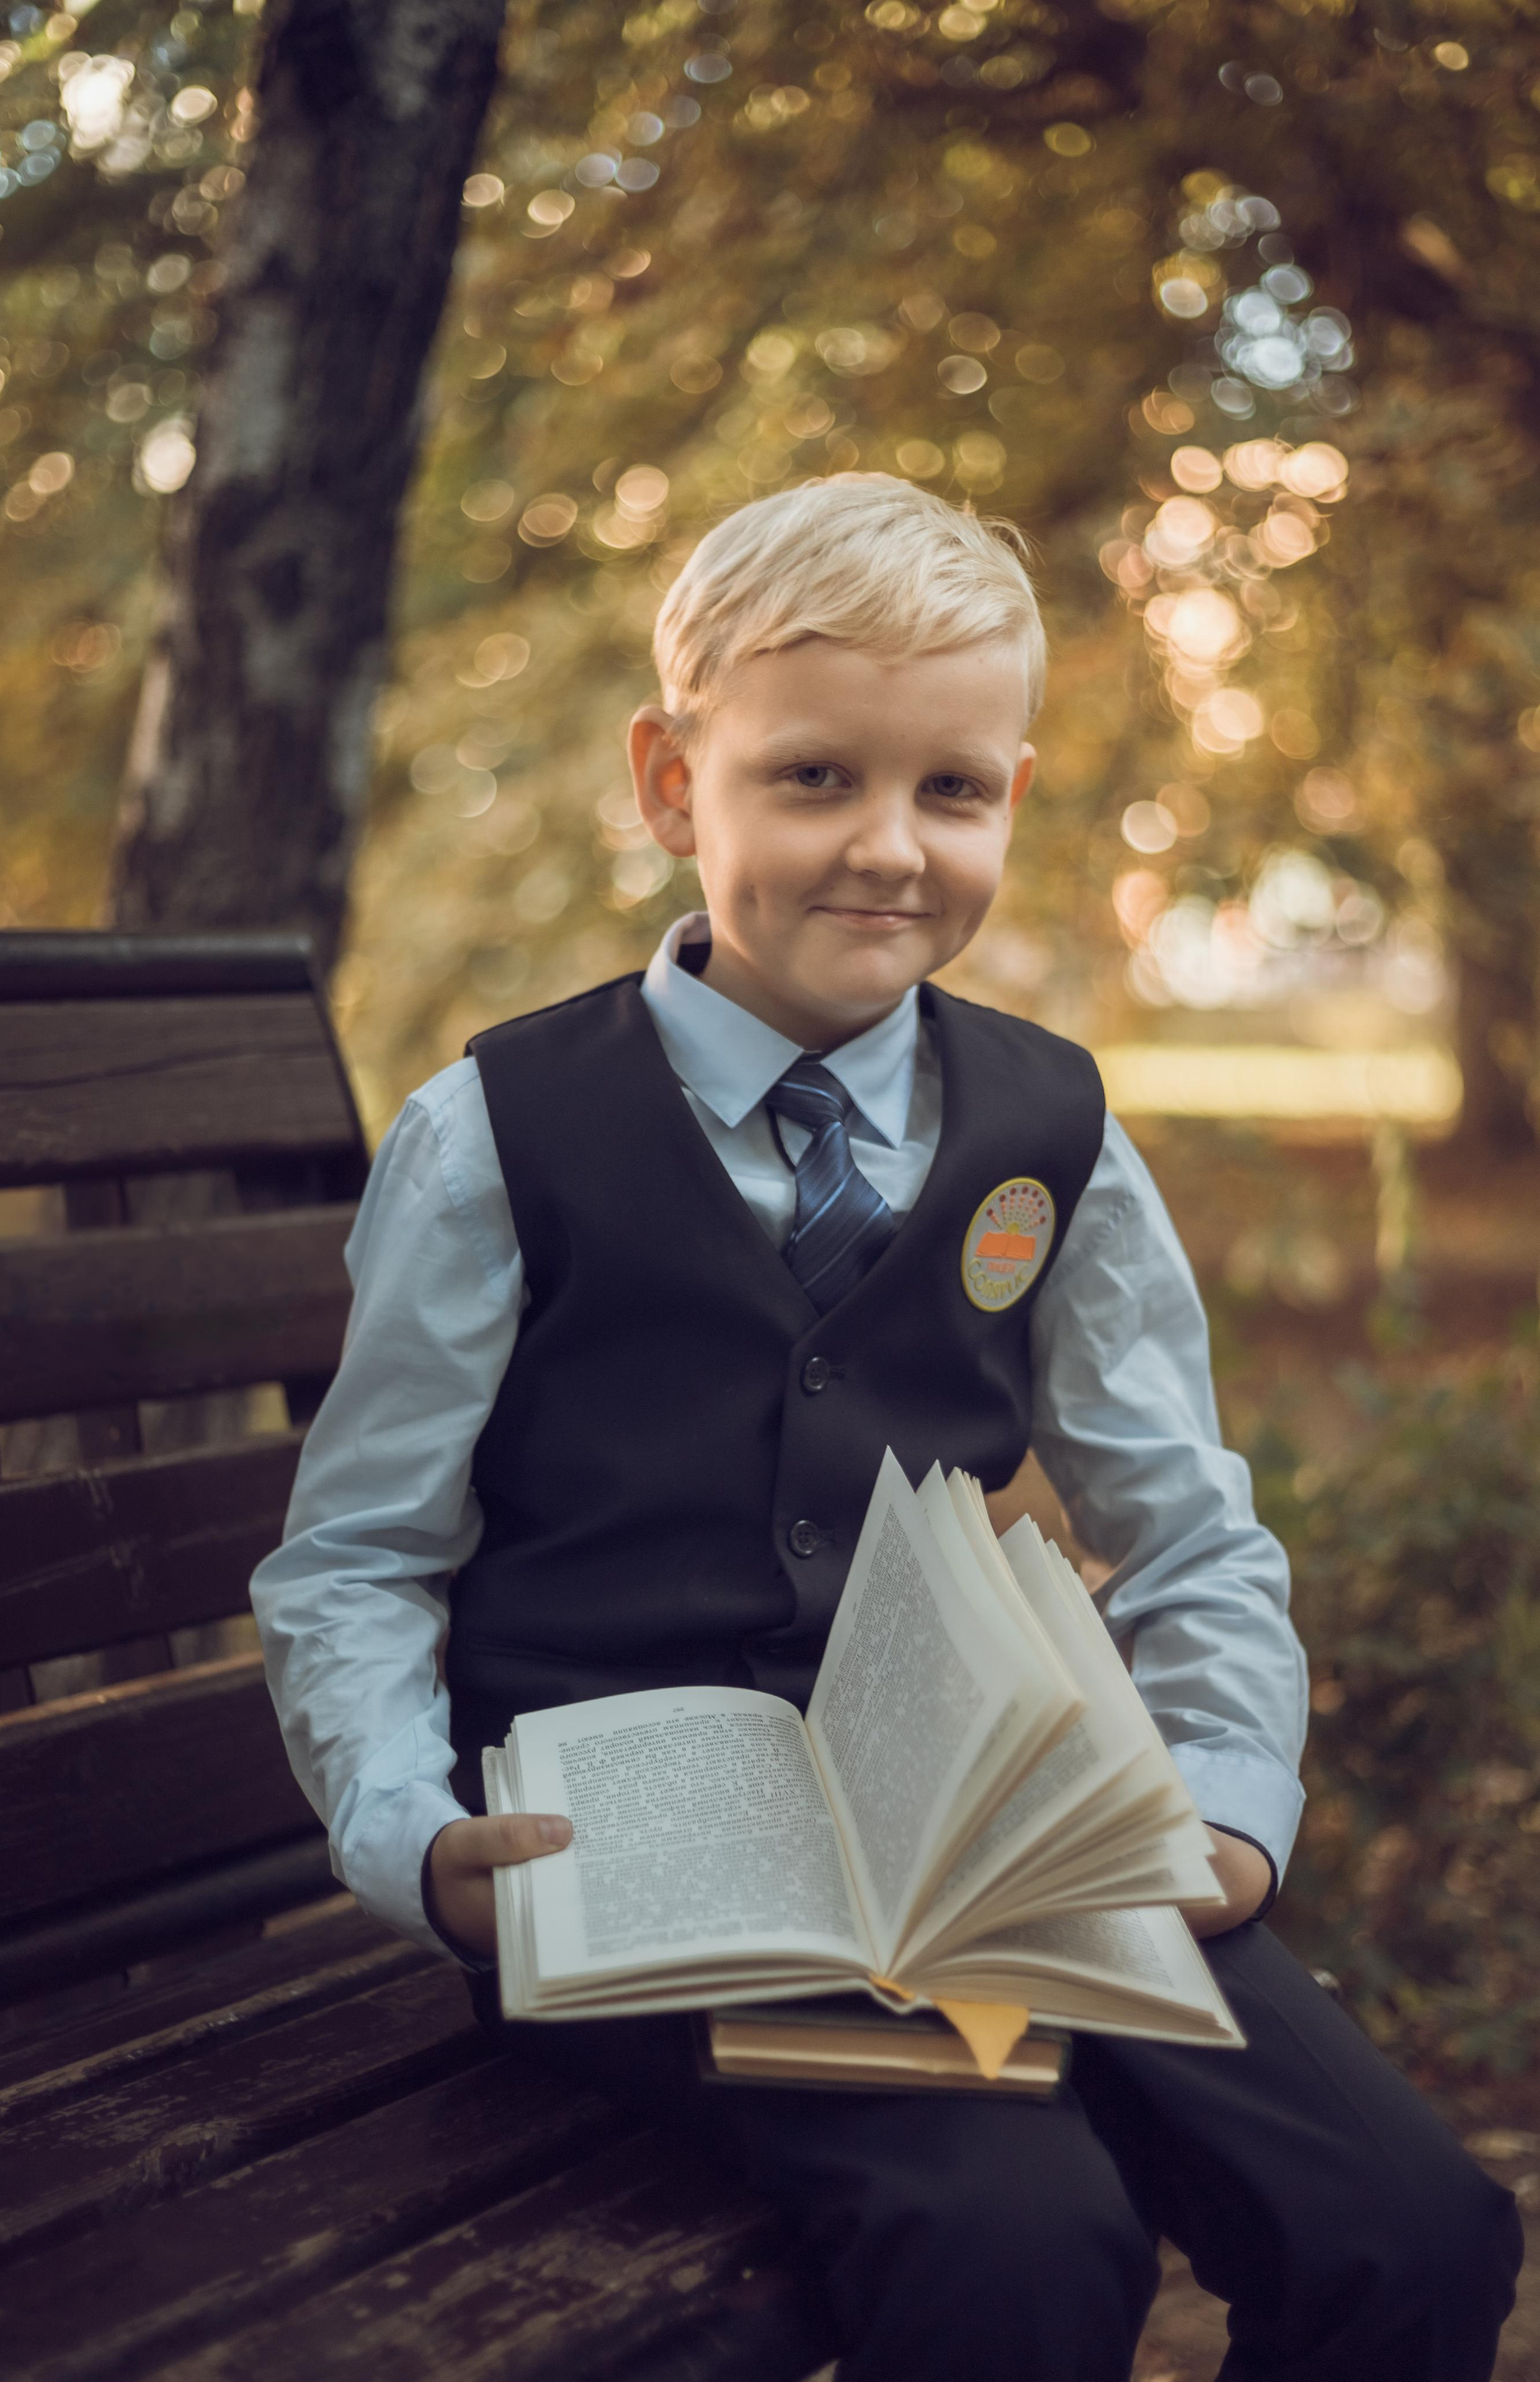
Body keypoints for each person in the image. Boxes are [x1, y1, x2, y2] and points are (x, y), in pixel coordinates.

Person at [252, 475, 1521, 2380]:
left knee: (1413, 2231)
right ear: (677, 785)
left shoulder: (1054, 1135)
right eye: (815, 779)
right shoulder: (496, 1135)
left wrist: (1233, 1811)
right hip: (646, 1860)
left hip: (989, 1829)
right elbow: (354, 1553)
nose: (890, 848)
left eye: (952, 790)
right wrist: (410, 1835)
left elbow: (1183, 1528)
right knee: (1020, 2247)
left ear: (1012, 791)